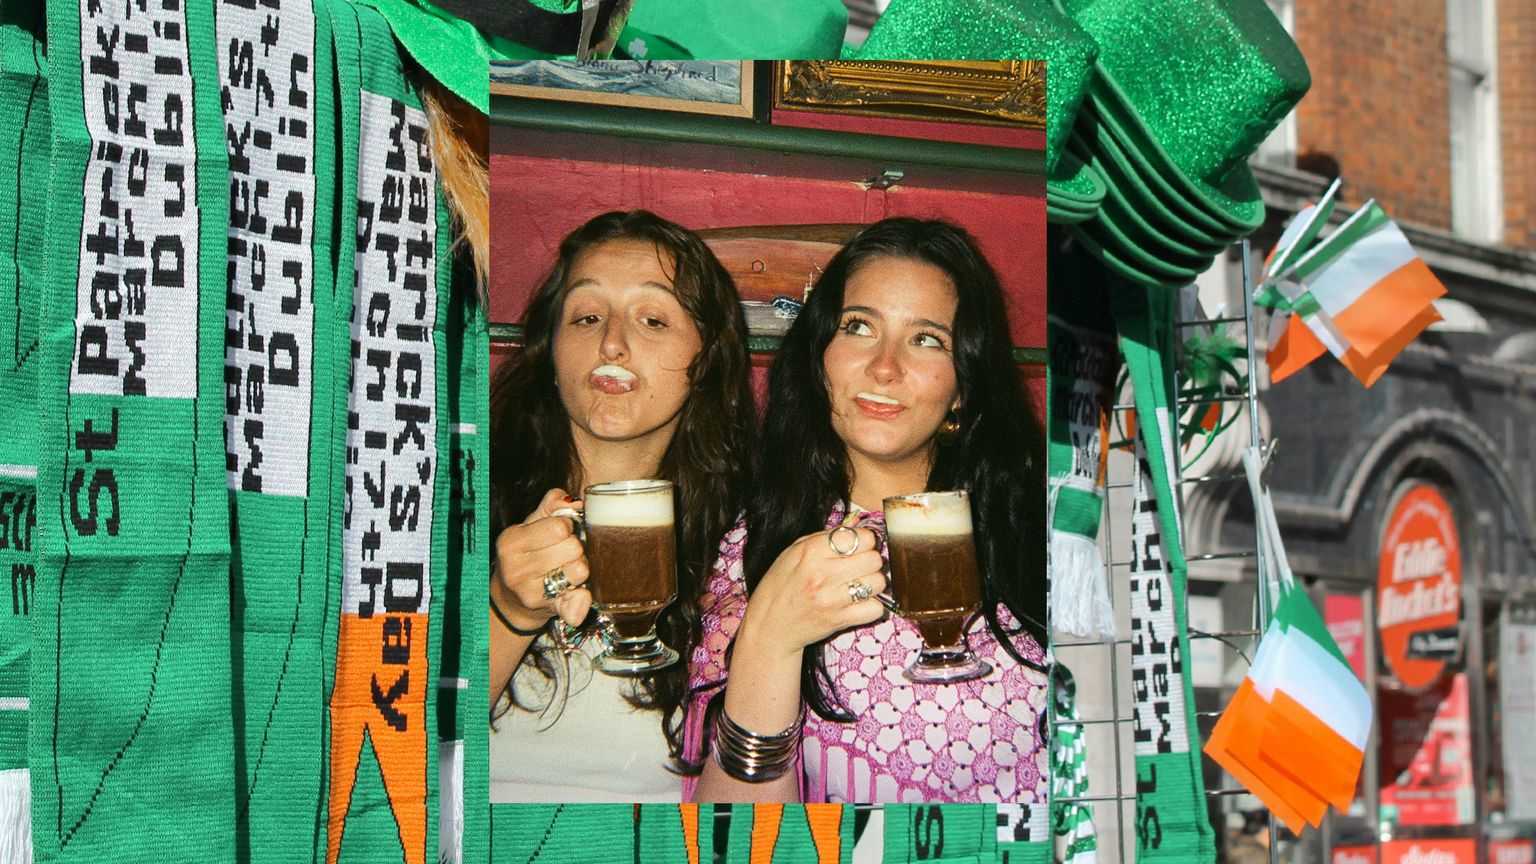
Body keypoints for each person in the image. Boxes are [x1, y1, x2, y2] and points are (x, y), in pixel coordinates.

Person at [685, 217, 1049, 803]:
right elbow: (730, 832)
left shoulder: (1037, 527)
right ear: (819, 355)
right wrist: (769, 639)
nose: (885, 367)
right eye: (858, 327)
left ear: (962, 385)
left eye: (926, 338)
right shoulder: (747, 551)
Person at [488, 210, 754, 801]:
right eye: (586, 316)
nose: (611, 342)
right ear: (551, 348)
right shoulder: (455, 497)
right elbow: (378, 755)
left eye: (654, 319)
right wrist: (506, 612)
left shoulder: (744, 547)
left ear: (707, 358)